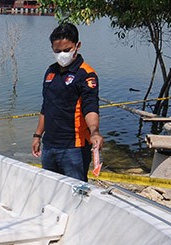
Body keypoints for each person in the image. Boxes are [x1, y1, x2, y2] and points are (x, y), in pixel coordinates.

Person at [32, 22, 104, 181]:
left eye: (66, 50)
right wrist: (37, 135)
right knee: (51, 189)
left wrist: (94, 131)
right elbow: (46, 106)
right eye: (57, 51)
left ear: (77, 46)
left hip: (74, 148)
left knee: (75, 193)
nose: (61, 54)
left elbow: (90, 107)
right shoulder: (50, 72)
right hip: (50, 145)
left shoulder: (86, 74)